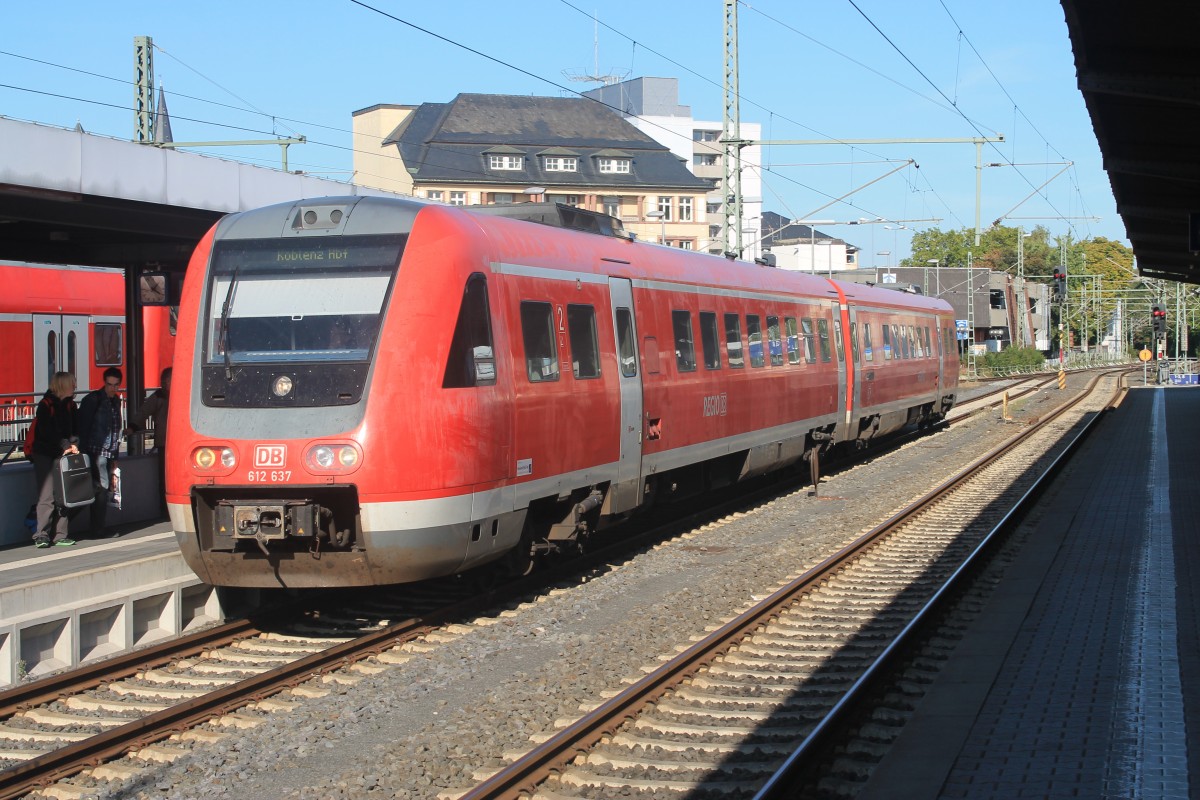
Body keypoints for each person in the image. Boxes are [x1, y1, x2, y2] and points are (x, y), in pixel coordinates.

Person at [29, 371, 80, 547]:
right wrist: (63, 443)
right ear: (63, 385)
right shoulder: (46, 405)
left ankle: (61, 534)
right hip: (45, 454)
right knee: (47, 495)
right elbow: (45, 431)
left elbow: (75, 427)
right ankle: (41, 534)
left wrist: (74, 441)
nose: (75, 387)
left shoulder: (70, 406)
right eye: (72, 384)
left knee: (63, 494)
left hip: (62, 453)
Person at [78, 367, 124, 538]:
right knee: (101, 489)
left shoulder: (115, 402)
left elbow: (115, 430)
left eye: (115, 385)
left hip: (106, 453)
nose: (112, 388)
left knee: (100, 490)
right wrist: (84, 454)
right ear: (104, 382)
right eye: (109, 384)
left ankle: (97, 527)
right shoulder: (93, 400)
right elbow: (84, 427)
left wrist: (115, 456)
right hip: (95, 452)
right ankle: (97, 529)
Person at [128, 367, 171, 453]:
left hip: (164, 440)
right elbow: (144, 411)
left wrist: (133, 426)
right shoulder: (158, 396)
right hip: (164, 441)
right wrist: (133, 426)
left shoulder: (158, 396)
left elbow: (143, 412)